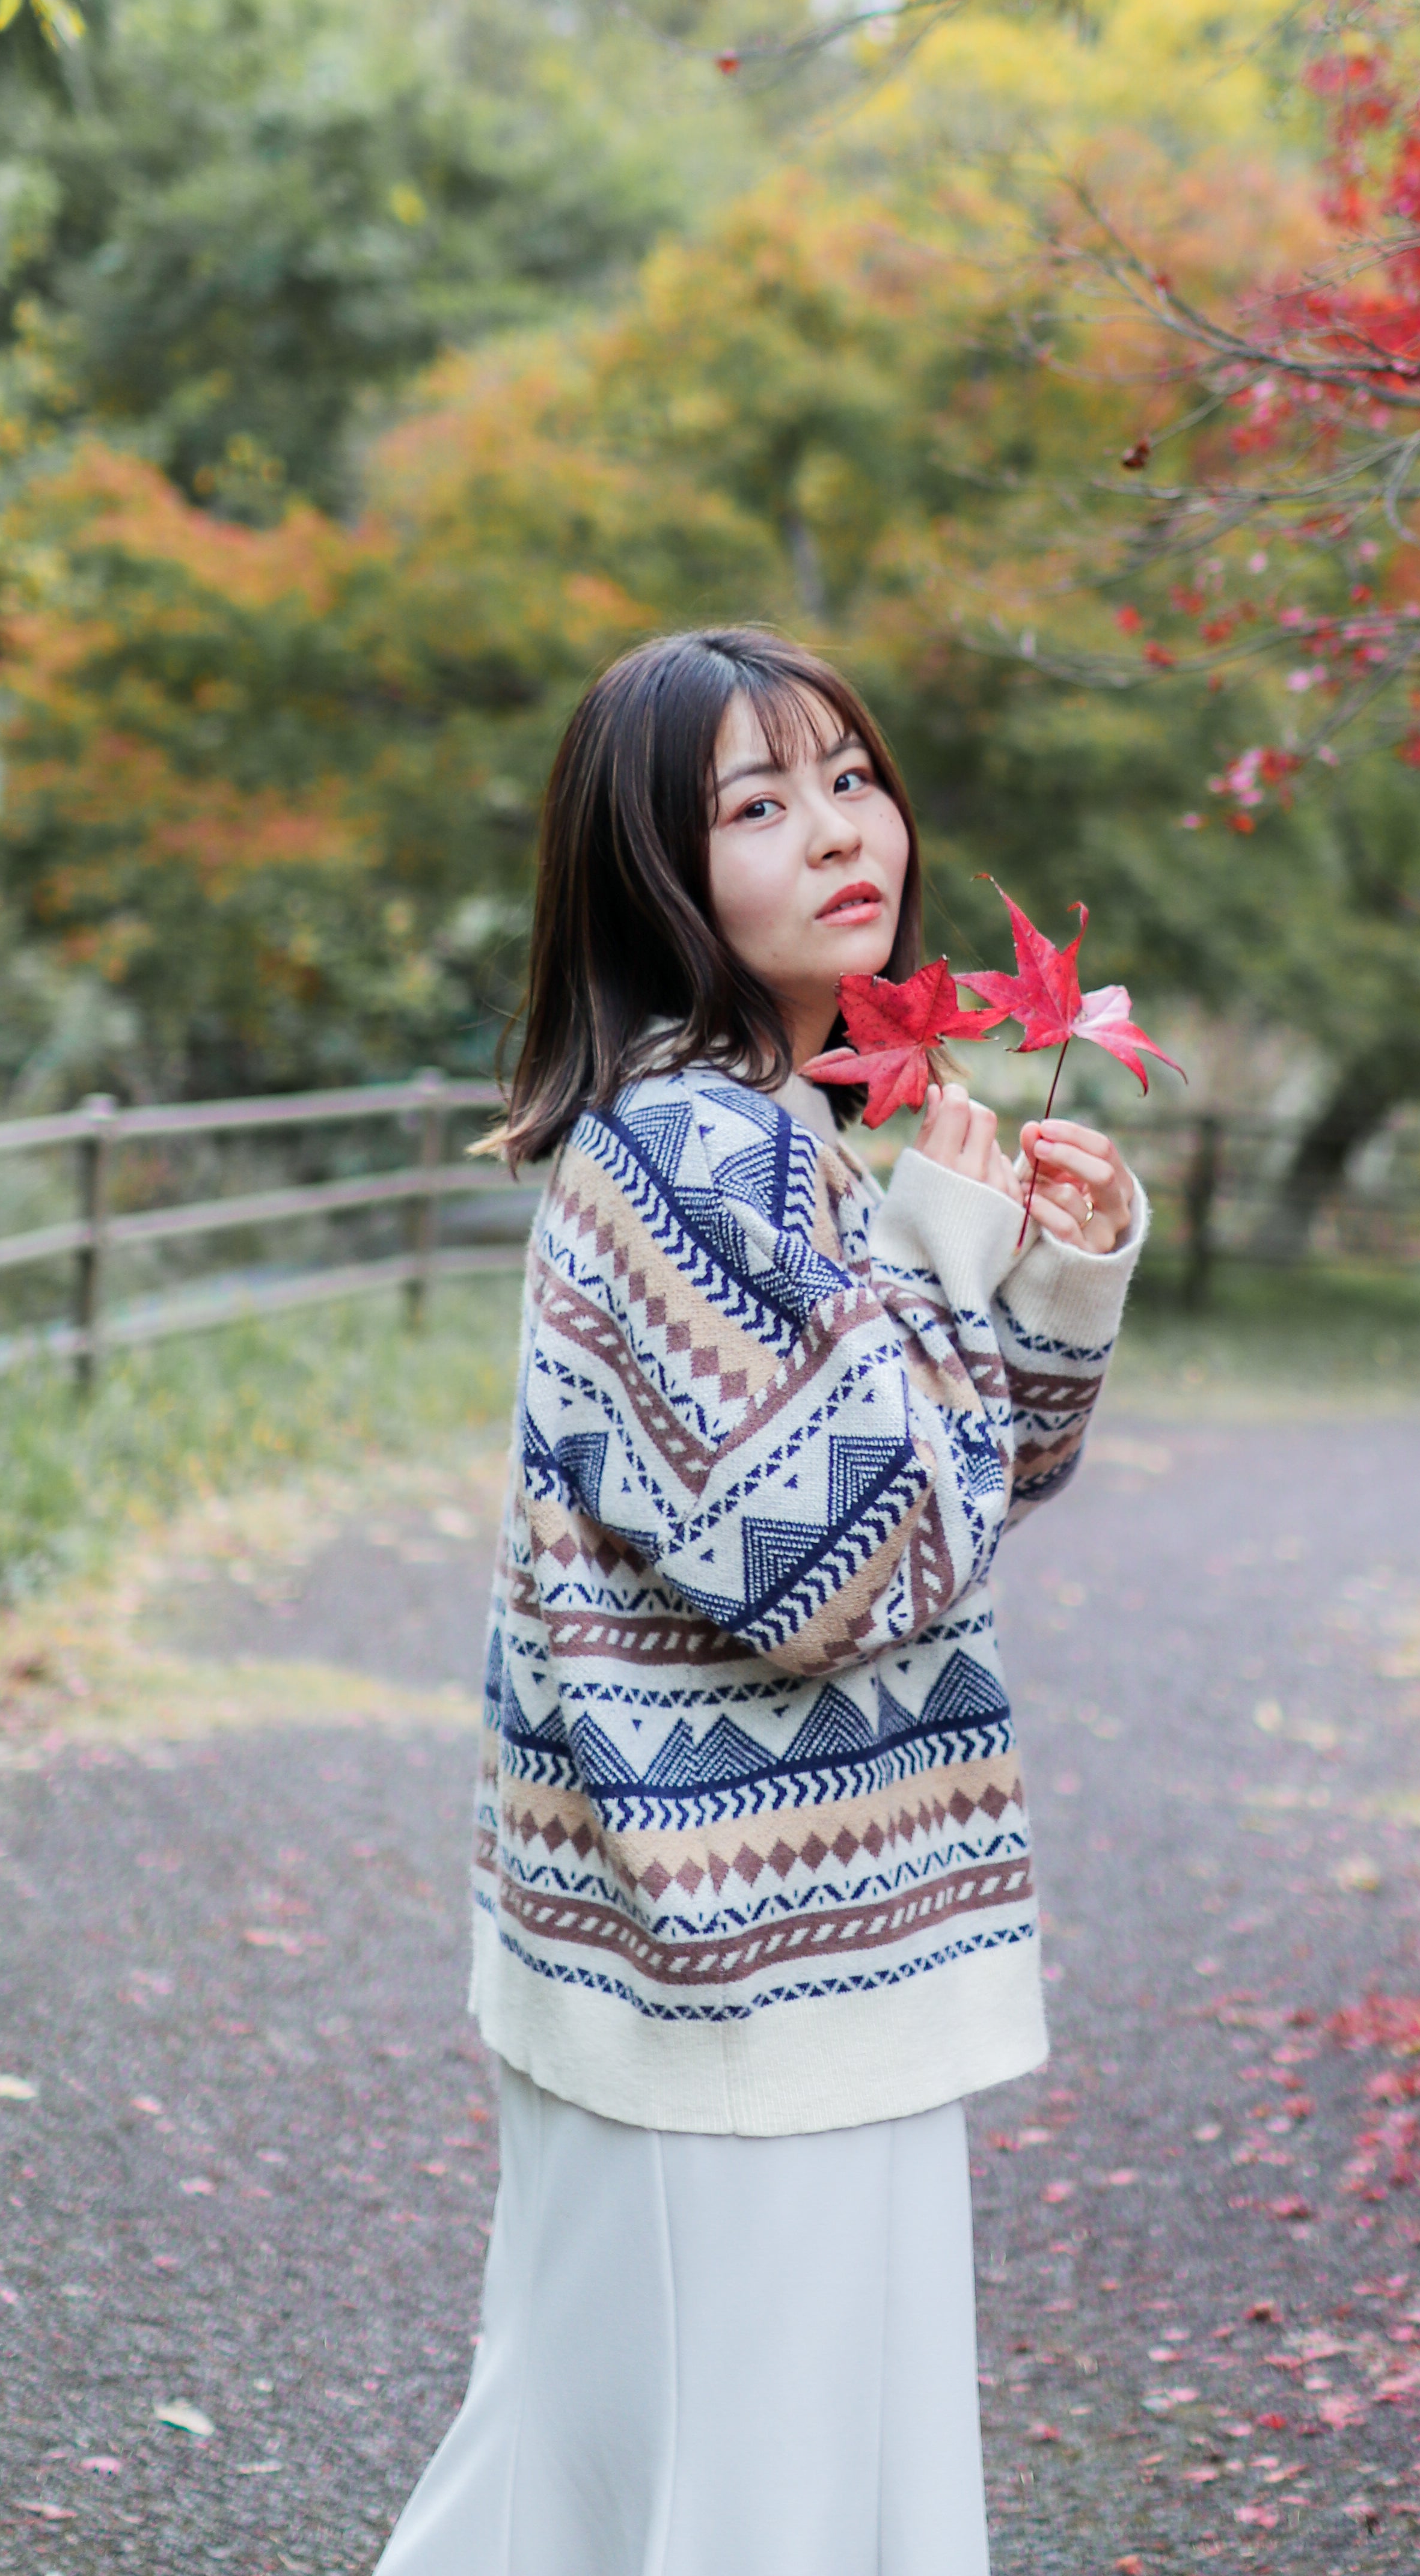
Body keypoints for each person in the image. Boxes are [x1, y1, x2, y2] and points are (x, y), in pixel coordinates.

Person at [376, 623, 1146, 2576]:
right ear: (651, 865)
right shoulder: (686, 1148)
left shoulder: (773, 1127)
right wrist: (951, 1257)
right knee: (752, 2509)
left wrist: (1042, 1280)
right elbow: (842, 1569)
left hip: (780, 1939)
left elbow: (961, 1501)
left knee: (617, 2483)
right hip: (733, 1956)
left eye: (850, 776)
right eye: (755, 799)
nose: (834, 828)